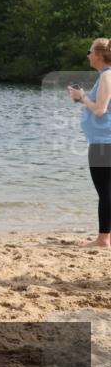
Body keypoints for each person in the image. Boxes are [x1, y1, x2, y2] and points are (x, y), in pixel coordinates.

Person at [69, 37, 111, 249]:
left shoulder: (107, 76)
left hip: (104, 143)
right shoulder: (105, 76)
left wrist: (82, 96)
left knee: (105, 192)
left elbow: (100, 109)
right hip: (104, 141)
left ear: (99, 55)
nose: (88, 55)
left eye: (90, 51)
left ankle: (103, 239)